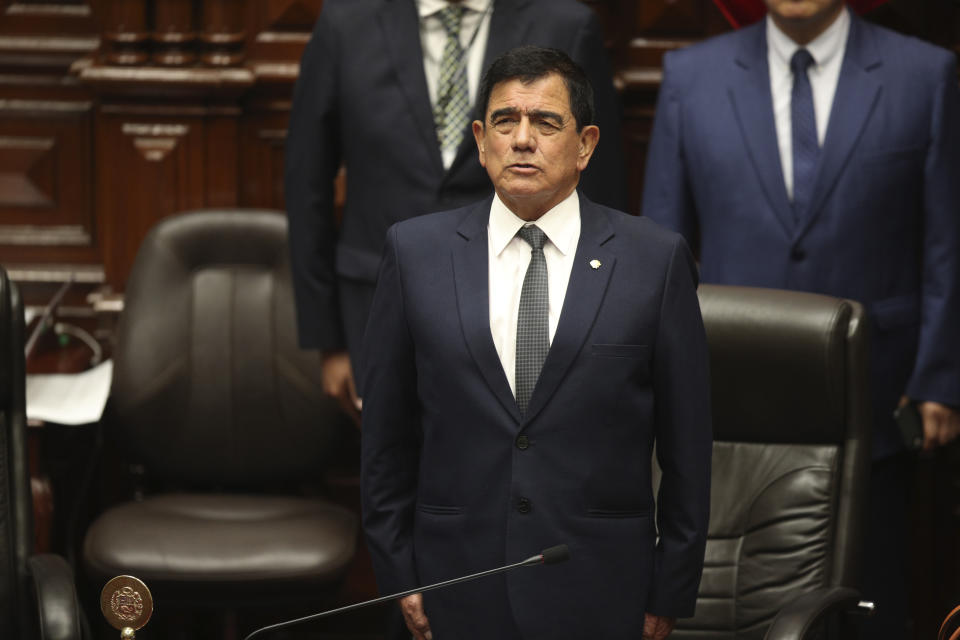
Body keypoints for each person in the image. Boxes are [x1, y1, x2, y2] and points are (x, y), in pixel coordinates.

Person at [361, 46, 712, 640]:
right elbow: (385, 443)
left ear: (586, 144)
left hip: (603, 588)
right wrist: (400, 576)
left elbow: (688, 450)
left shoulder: (654, 260)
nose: (522, 139)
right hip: (454, 585)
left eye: (546, 122)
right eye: (505, 121)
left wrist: (669, 589)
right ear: (480, 138)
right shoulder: (414, 253)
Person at [641, 1, 960, 637]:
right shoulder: (689, 76)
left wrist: (940, 378)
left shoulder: (926, 74)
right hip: (725, 404)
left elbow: (947, 239)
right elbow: (660, 248)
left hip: (878, 395)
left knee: (874, 603)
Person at [285, 0, 627, 425]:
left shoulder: (566, 25)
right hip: (376, 305)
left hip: (529, 306)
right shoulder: (345, 23)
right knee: (387, 466)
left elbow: (600, 185)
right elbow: (306, 186)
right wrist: (328, 341)